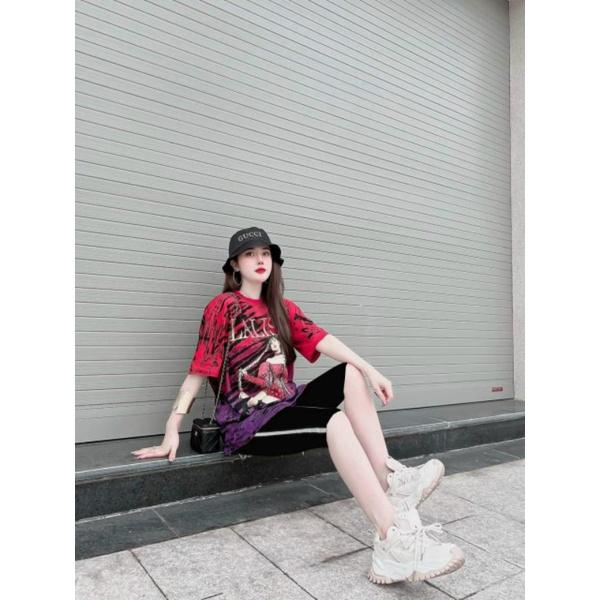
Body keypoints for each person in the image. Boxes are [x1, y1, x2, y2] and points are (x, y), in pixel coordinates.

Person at [132, 226, 465, 584]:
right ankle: (392, 545)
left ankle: (391, 479)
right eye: (249, 254)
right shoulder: (223, 307)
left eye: (265, 253)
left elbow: (323, 339)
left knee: (351, 372)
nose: (259, 260)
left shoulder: (282, 308)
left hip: (285, 402)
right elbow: (199, 369)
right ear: (235, 265)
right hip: (249, 422)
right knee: (335, 421)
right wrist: (172, 426)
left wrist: (371, 370)